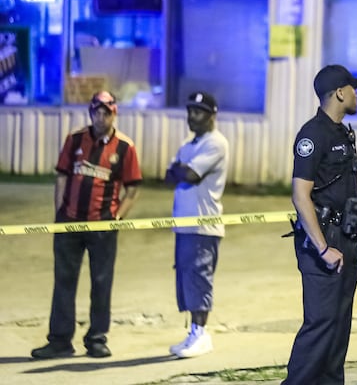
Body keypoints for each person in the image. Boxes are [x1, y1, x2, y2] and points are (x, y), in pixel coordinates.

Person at [31, 91, 142, 359]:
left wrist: (116, 218)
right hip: (69, 222)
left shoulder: (125, 147)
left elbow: (133, 190)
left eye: (106, 113)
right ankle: (60, 340)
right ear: (91, 113)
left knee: (101, 282)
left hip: (102, 226)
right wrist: (59, 212)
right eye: (96, 113)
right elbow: (62, 176)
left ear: (114, 114)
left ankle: (96, 339)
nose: (101, 118)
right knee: (64, 281)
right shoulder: (75, 139)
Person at [282, 64, 357, 385]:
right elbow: (300, 194)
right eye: (353, 88)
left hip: (345, 239)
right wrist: (323, 247)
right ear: (339, 93)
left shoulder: (342, 132)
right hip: (323, 242)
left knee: (338, 326)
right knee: (320, 325)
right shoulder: (312, 134)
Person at [165, 92, 229, 358]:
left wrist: (182, 169)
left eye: (198, 112)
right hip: (185, 225)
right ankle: (193, 332)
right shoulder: (189, 144)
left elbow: (190, 174)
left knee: (199, 279)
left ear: (212, 116)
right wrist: (180, 169)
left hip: (203, 225)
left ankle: (201, 334)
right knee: (186, 279)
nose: (192, 116)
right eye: (190, 111)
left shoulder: (216, 143)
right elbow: (169, 176)